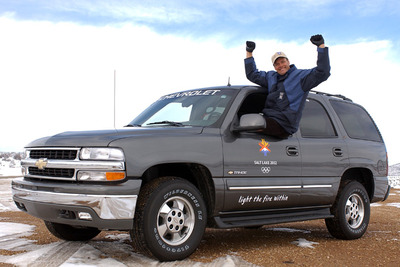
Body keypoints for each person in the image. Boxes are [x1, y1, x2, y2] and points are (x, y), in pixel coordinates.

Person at [244, 34, 331, 138]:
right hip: (268, 119)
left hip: (284, 125)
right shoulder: (271, 77)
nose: (281, 66)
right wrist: (249, 52)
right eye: (277, 64)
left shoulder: (300, 78)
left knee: (248, 128)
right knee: (243, 122)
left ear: (288, 61)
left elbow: (322, 72)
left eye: (283, 62)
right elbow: (252, 74)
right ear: (274, 67)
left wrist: (320, 46)